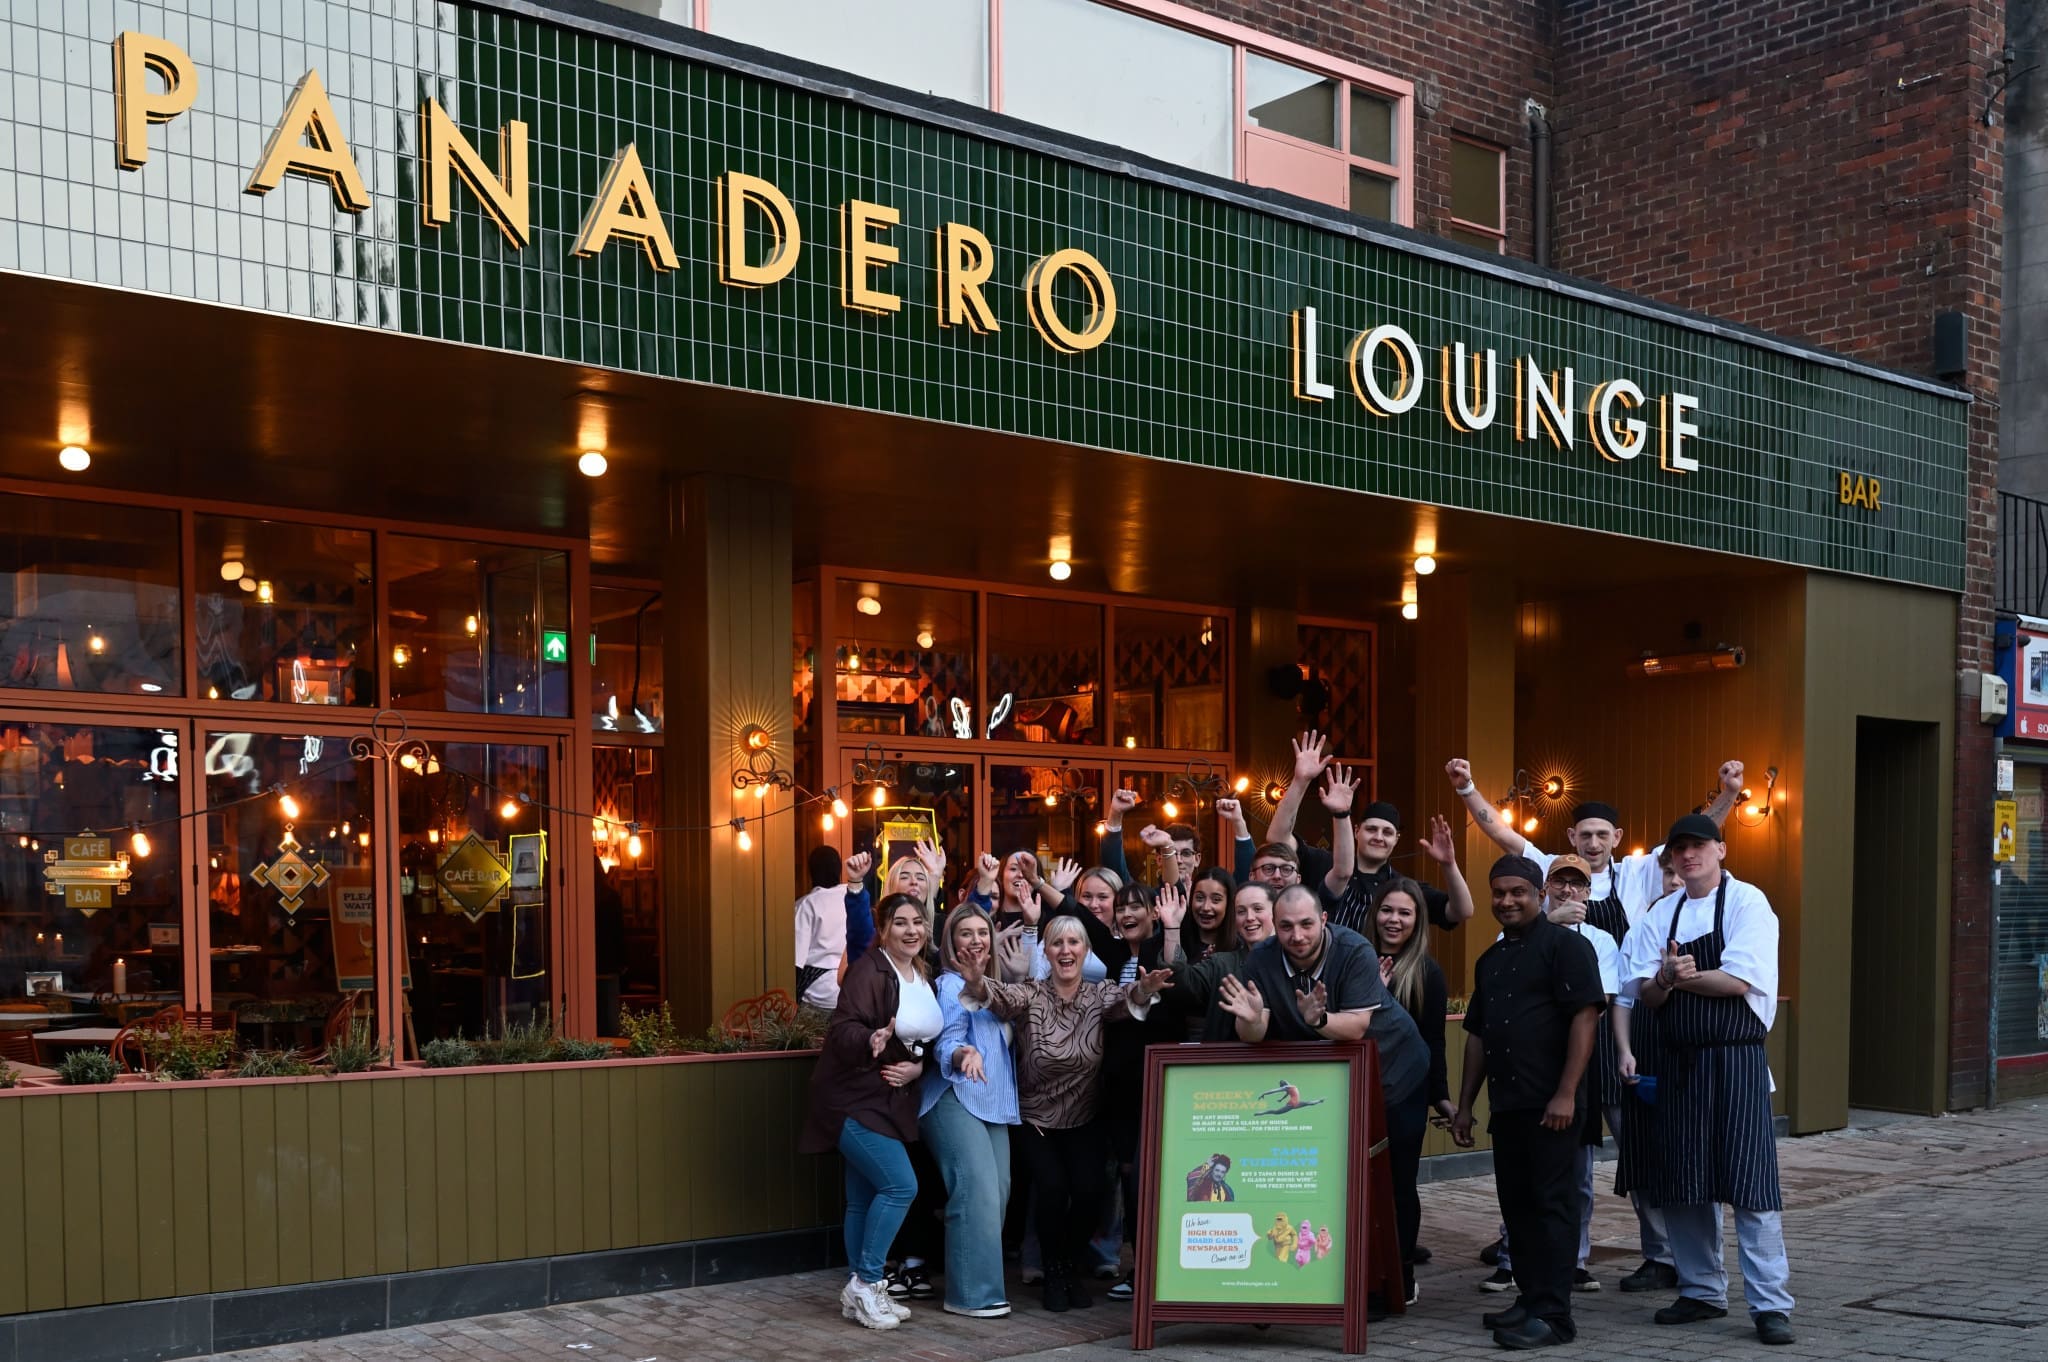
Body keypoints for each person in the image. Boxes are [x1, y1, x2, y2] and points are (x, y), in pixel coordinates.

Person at [1447, 757, 1745, 1292]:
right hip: (1561, 1049)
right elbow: (1499, 832)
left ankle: (1663, 1254)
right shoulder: (1538, 894)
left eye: (1600, 835)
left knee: (1643, 1149)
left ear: (1616, 838)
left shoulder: (1635, 873)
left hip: (1622, 1038)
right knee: (1561, 1162)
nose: (1590, 845)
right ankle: (1547, 1255)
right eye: (1583, 836)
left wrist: (1727, 795)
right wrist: (1468, 788)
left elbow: (1695, 836)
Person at [1615, 815, 1794, 1347]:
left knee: (1750, 1185)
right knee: (1684, 1184)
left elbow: (1740, 979)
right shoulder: (1659, 912)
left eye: (1698, 846)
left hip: (1735, 1059)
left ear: (1720, 848)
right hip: (1677, 1063)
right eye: (1679, 849)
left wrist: (1677, 978)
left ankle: (1770, 1304)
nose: (1688, 856)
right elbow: (1645, 992)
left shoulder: (1748, 903)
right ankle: (1700, 1291)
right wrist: (1668, 980)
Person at [1213, 884, 1431, 1302]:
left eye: (1307, 924)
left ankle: (1399, 1280)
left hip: (1396, 1073)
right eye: (1287, 926)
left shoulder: (1355, 950)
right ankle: (1330, 1280)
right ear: (1275, 927)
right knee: (1337, 1181)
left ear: (1324, 920)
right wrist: (1252, 1019)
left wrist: (1318, 1019)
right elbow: (1255, 1033)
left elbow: (1357, 1028)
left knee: (1393, 1181)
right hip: (1332, 1083)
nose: (1297, 936)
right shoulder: (1261, 959)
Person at [956, 915, 1172, 1313]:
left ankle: (1067, 1265)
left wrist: (1144, 987)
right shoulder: (1030, 994)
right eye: (1057, 943)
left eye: (1074, 942)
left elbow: (1130, 1000)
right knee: (1053, 1190)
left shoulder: (1099, 994)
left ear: (1085, 951)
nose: (1066, 950)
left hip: (1084, 1118)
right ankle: (1055, 1272)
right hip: (1035, 1120)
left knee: (1091, 1193)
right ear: (1046, 951)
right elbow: (998, 997)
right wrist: (975, 981)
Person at [1451, 855, 1605, 1351]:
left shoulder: (1567, 947)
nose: (1506, 901)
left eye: (1518, 891)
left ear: (1540, 895)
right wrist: (1465, 1105)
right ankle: (1530, 1298)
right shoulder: (1491, 959)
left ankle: (1555, 1317)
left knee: (1552, 1210)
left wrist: (1566, 1093)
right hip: (1509, 1106)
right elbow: (1477, 1035)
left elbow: (1586, 1018)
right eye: (1499, 893)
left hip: (1553, 1107)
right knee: (1517, 1210)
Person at [801, 893, 942, 1332]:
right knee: (901, 1186)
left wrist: (920, 1065)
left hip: (886, 1103)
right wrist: (870, 1041)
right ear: (884, 929)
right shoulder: (869, 971)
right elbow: (842, 1030)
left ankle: (860, 1292)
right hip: (853, 1100)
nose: (911, 930)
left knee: (862, 1200)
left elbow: (925, 1038)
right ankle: (867, 1280)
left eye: (918, 922)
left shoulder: (921, 972)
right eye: (900, 923)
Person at [918, 902, 1018, 1318]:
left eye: (982, 933)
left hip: (993, 1101)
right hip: (952, 1095)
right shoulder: (948, 985)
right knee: (975, 1187)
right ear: (951, 942)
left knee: (999, 1191)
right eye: (966, 934)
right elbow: (947, 1037)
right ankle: (972, 1295)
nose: (975, 941)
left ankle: (968, 1273)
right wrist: (962, 1054)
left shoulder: (998, 987)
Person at [1269, 730, 1474, 932]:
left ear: (1396, 839)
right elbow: (1277, 840)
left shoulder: (1402, 889)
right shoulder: (1323, 863)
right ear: (1356, 831)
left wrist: (1449, 864)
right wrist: (1300, 781)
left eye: (1387, 832)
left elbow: (1461, 911)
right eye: (1371, 829)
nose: (1378, 837)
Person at [1364, 875, 1457, 1291]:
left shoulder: (1426, 972)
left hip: (1405, 1098)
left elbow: (1434, 1039)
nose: (1394, 920)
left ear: (1418, 919)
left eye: (1405, 912)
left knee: (1399, 1183)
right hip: (1355, 1092)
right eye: (1387, 910)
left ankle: (1400, 1275)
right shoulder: (1352, 961)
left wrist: (1441, 1096)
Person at [794, 847, 874, 1012]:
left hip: (819, 990)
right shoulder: (853, 896)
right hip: (856, 985)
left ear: (810, 873)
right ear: (840, 869)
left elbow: (796, 961)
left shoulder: (807, 904)